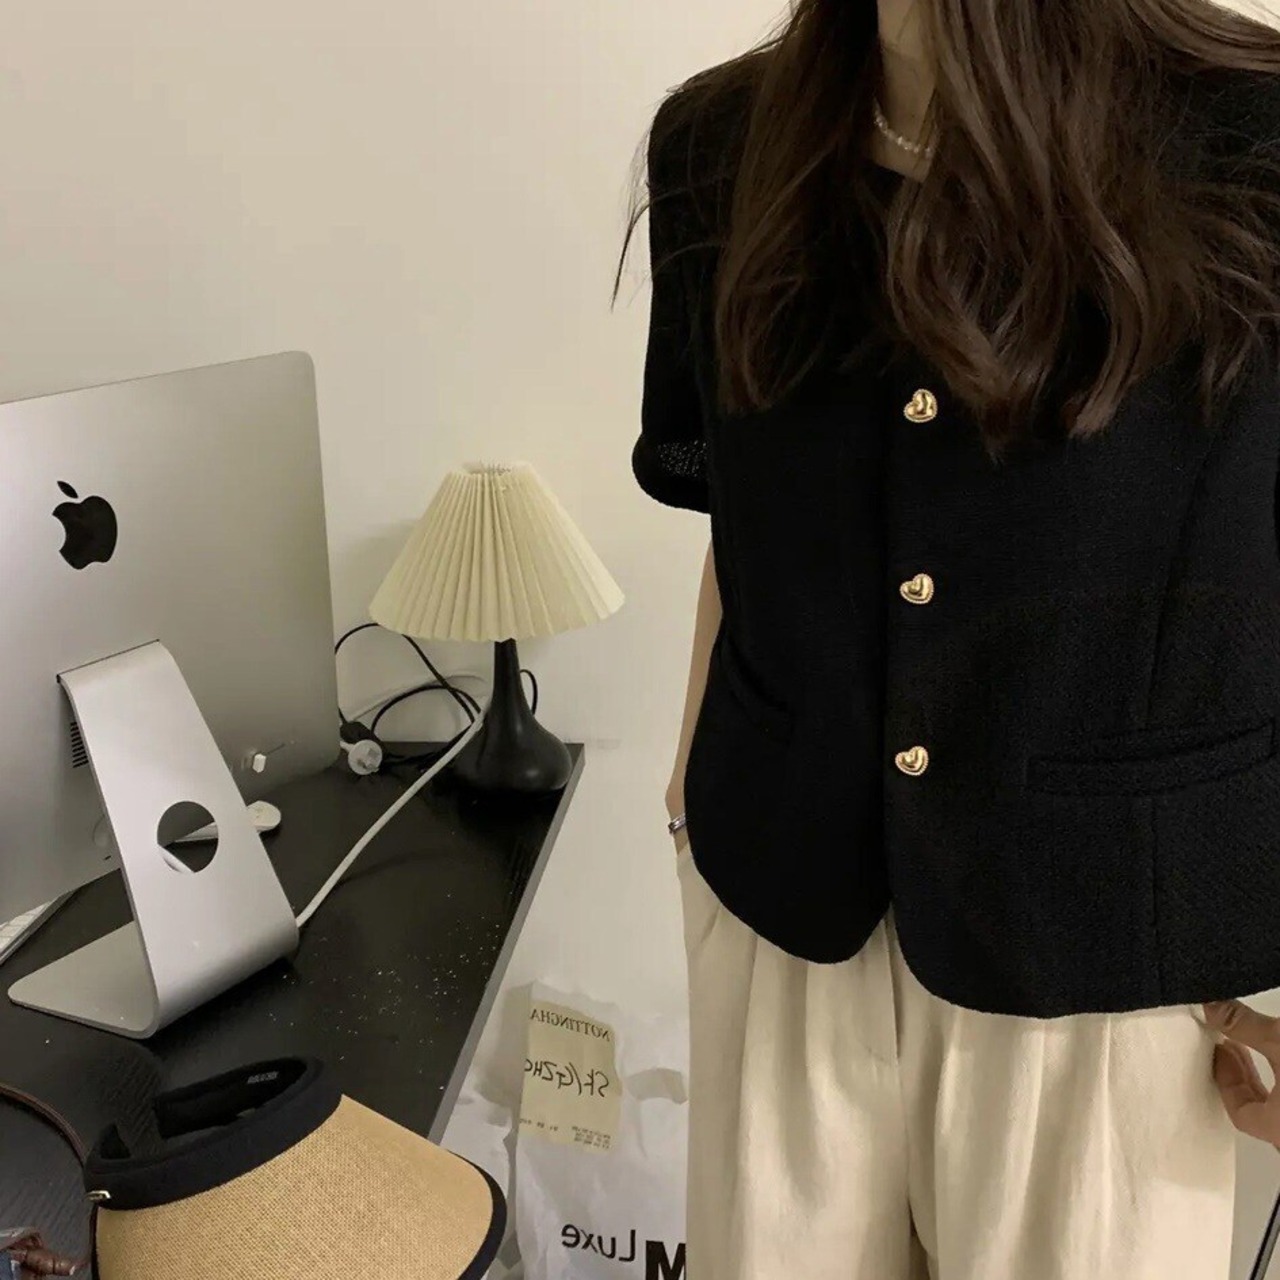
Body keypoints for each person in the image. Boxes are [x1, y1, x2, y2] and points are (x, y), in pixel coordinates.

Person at [614, 0, 1280, 1277]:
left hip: (1104, 967)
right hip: (781, 914)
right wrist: (685, 806)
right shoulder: (717, 143)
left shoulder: (1246, 141)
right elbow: (739, 518)